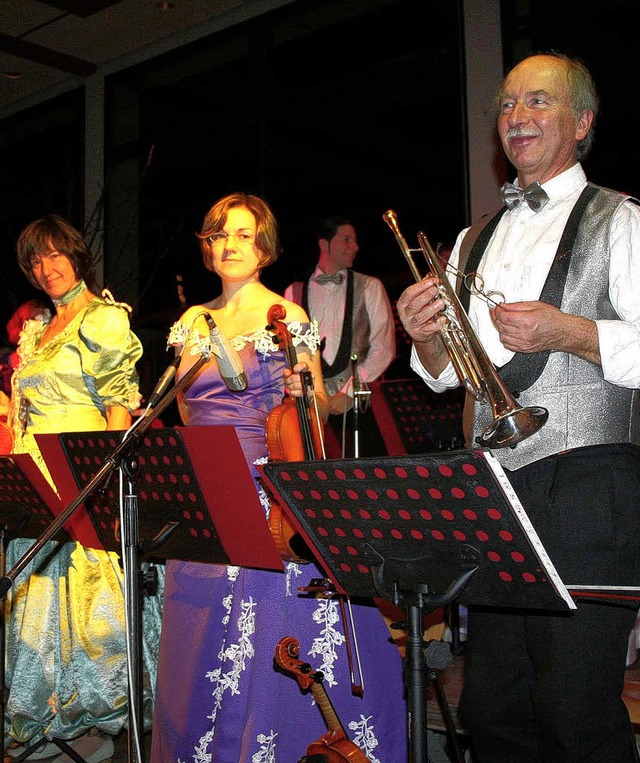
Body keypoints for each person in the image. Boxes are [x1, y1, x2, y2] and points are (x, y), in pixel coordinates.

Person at [396, 52, 640, 762]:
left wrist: (571, 331)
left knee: (574, 708)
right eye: (506, 105)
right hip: (495, 492)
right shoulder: (474, 239)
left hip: (589, 486)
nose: (516, 118)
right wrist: (427, 338)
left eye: (538, 101)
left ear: (582, 121)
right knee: (492, 706)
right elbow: (453, 376)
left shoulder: (620, 220)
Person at [151, 193, 408, 762]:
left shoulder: (286, 315)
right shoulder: (192, 322)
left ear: (263, 246)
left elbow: (319, 406)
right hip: (207, 488)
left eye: (242, 235)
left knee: (266, 623)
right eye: (219, 235)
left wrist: (304, 394)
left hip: (264, 485)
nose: (229, 245)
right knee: (198, 631)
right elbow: (188, 412)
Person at [2, 214, 162, 762]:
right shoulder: (39, 326)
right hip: (35, 472)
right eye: (34, 261)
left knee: (89, 608)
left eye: (53, 255)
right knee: (41, 603)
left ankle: (95, 724)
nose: (45, 269)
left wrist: (109, 480)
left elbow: (120, 404)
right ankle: (52, 715)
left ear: (75, 253)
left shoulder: (103, 319)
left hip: (81, 469)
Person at [284, 216, 396, 457]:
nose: (354, 247)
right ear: (325, 244)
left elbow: (383, 347)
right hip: (312, 406)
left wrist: (350, 390)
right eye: (346, 240)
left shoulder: (370, 286)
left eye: (355, 241)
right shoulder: (293, 292)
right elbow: (290, 354)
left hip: (361, 406)